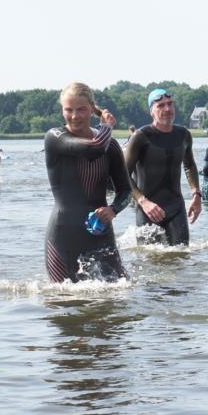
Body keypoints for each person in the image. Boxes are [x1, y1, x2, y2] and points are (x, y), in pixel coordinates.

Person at [44, 82, 131, 283]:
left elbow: (126, 190)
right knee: (64, 305)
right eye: (69, 110)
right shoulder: (55, 137)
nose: (75, 116)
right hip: (63, 236)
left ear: (92, 108)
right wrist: (107, 126)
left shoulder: (111, 145)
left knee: (119, 296)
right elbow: (95, 148)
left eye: (81, 109)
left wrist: (114, 209)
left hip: (101, 233)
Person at [124, 88, 202, 245]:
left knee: (181, 257)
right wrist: (143, 201)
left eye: (170, 104)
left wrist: (196, 194)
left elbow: (189, 165)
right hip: (148, 210)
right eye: (160, 105)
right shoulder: (140, 136)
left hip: (176, 207)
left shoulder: (184, 134)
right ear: (151, 111)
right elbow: (122, 174)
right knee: (149, 261)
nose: (167, 109)